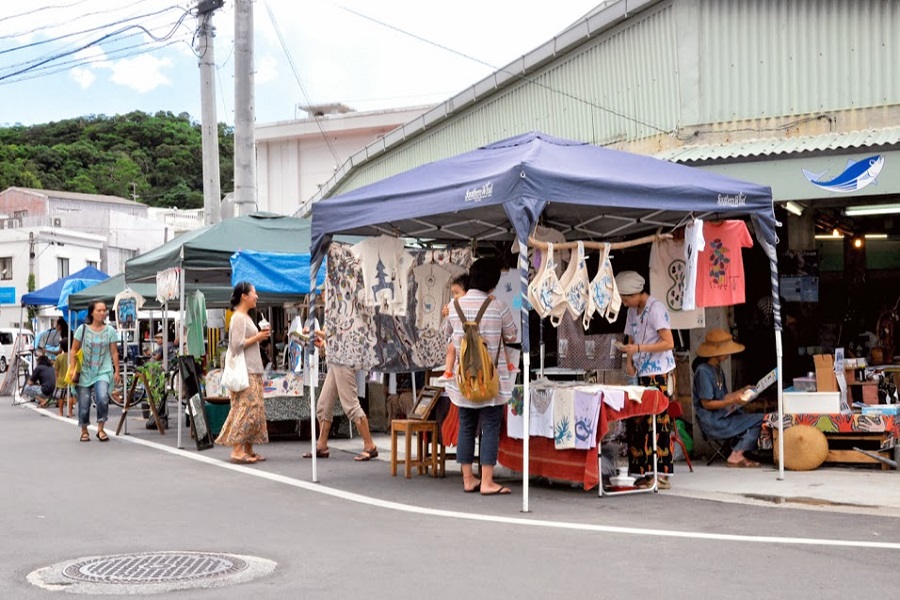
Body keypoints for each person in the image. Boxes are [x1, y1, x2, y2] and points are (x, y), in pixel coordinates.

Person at [444, 257, 518, 495]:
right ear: (493, 284)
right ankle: (487, 481)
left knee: (466, 425)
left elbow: (446, 334)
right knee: (490, 426)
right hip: (490, 380)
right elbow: (513, 335)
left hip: (463, 380)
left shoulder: (454, 306)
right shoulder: (498, 306)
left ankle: (468, 478)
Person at [615, 270, 676, 489]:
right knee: (637, 421)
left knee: (657, 423)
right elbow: (630, 337)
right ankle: (642, 470)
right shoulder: (633, 311)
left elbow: (668, 342)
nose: (623, 303)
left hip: (659, 373)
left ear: (635, 293)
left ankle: (661, 473)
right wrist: (630, 361)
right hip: (640, 371)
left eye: (625, 298)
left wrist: (640, 348)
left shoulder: (656, 309)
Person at [303, 319, 381, 463]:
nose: (325, 295)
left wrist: (315, 332)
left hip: (344, 361)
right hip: (335, 361)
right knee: (323, 404)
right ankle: (322, 444)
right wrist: (322, 344)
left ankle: (369, 445)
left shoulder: (342, 310)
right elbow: (331, 340)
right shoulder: (332, 311)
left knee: (350, 405)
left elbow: (336, 335)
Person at [692, 328, 764, 468]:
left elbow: (723, 396)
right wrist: (733, 401)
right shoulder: (703, 371)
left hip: (722, 416)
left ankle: (738, 452)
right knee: (760, 419)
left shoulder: (717, 369)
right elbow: (707, 404)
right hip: (713, 422)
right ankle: (736, 454)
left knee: (750, 416)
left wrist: (742, 391)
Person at [215, 282, 269, 464]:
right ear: (244, 296)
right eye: (254, 293)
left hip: (252, 368)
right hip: (246, 370)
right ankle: (237, 450)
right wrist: (258, 337)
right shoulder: (238, 317)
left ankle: (248, 448)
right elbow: (236, 345)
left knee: (254, 409)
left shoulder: (245, 316)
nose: (257, 296)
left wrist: (258, 338)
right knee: (246, 409)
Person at [441, 273, 515, 380]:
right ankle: (448, 371)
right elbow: (511, 336)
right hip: (487, 369)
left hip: (465, 366)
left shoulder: (454, 307)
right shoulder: (493, 304)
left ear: (468, 292)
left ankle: (448, 372)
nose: (454, 297)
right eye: (453, 294)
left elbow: (446, 333)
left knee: (452, 347)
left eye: (457, 293)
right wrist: (445, 314)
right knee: (500, 342)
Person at [70, 301, 120, 442]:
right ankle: (84, 430)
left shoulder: (110, 331)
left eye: (104, 310)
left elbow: (114, 352)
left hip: (103, 370)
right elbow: (74, 349)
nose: (102, 313)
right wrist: (73, 368)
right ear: (92, 312)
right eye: (99, 310)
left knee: (102, 397)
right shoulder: (82, 329)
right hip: (84, 371)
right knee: (84, 402)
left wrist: (117, 371)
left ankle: (100, 428)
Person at [53, 338, 74, 417]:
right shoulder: (72, 356)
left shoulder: (58, 357)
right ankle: (70, 411)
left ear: (61, 347)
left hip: (61, 380)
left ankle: (61, 412)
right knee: (71, 396)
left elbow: (56, 369)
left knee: (60, 397)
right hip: (70, 378)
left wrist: (56, 378)